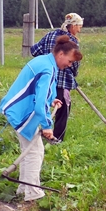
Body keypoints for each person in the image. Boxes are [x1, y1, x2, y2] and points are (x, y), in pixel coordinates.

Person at [0, 35, 83, 202]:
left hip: (19, 109)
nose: (70, 65)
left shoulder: (45, 62)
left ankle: (23, 189)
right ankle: (33, 194)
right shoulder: (48, 69)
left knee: (28, 150)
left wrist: (51, 100)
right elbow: (39, 104)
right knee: (35, 152)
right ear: (61, 54)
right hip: (23, 112)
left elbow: (40, 93)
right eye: (70, 61)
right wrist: (47, 125)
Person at [31, 13, 84, 141]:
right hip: (62, 81)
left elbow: (34, 51)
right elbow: (74, 64)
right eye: (79, 26)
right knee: (62, 110)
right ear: (73, 26)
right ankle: (57, 140)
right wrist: (72, 72)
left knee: (43, 103)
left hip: (44, 79)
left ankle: (41, 133)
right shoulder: (72, 42)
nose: (80, 29)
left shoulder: (50, 35)